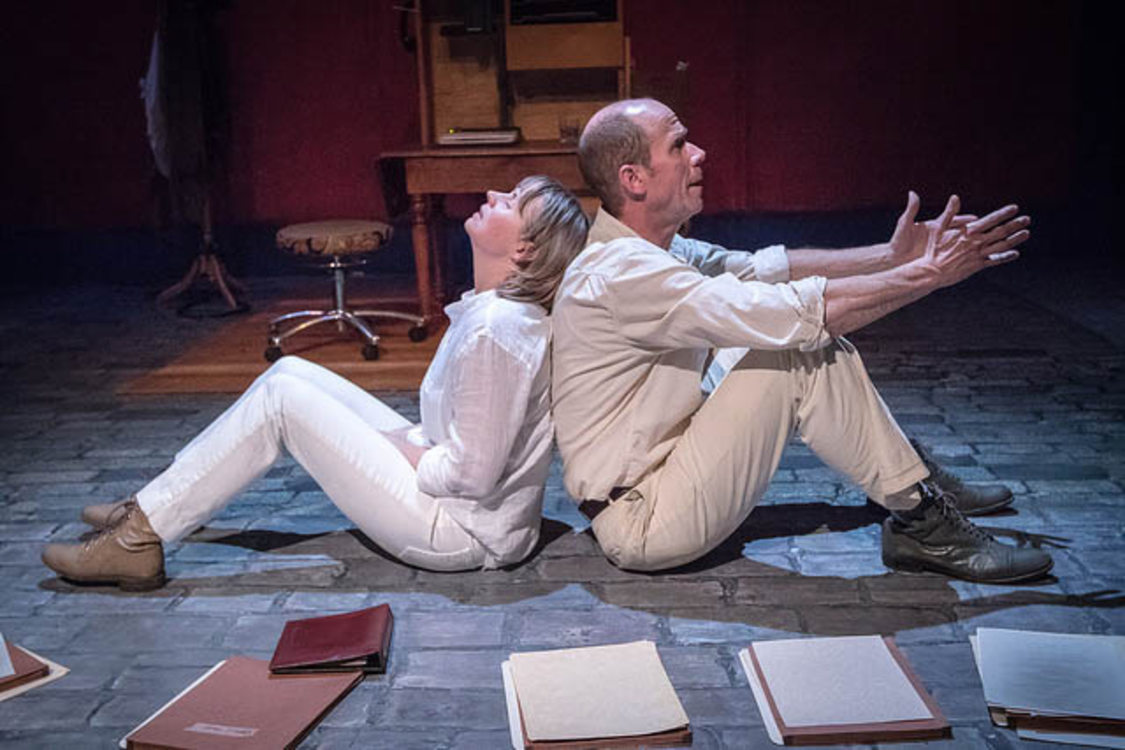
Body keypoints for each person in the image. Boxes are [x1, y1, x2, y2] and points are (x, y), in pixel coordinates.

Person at [550, 98, 1052, 582]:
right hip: (644, 518)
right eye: (679, 145)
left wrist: (892, 255)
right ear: (633, 179)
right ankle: (921, 517)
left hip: (665, 473)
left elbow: (765, 270)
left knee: (798, 336)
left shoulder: (655, 249)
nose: (699, 153)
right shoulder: (622, 273)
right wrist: (928, 277)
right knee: (794, 347)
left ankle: (906, 480)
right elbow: (789, 312)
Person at [42, 175, 589, 590]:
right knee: (290, 372)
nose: (494, 194)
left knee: (284, 401)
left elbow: (474, 471)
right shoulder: (491, 314)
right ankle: (154, 505)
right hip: (461, 502)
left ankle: (139, 537)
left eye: (512, 203)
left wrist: (406, 451)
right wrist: (409, 443)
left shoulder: (497, 330)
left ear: (525, 250)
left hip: (462, 532)